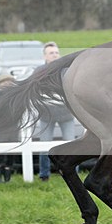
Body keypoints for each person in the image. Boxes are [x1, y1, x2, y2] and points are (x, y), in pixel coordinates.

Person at [38, 42, 76, 181]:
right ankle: (44, 175)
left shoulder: (66, 71)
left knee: (71, 145)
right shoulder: (39, 72)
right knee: (44, 146)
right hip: (46, 116)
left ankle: (73, 174)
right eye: (51, 53)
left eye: (56, 52)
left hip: (66, 114)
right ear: (45, 56)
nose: (54, 55)